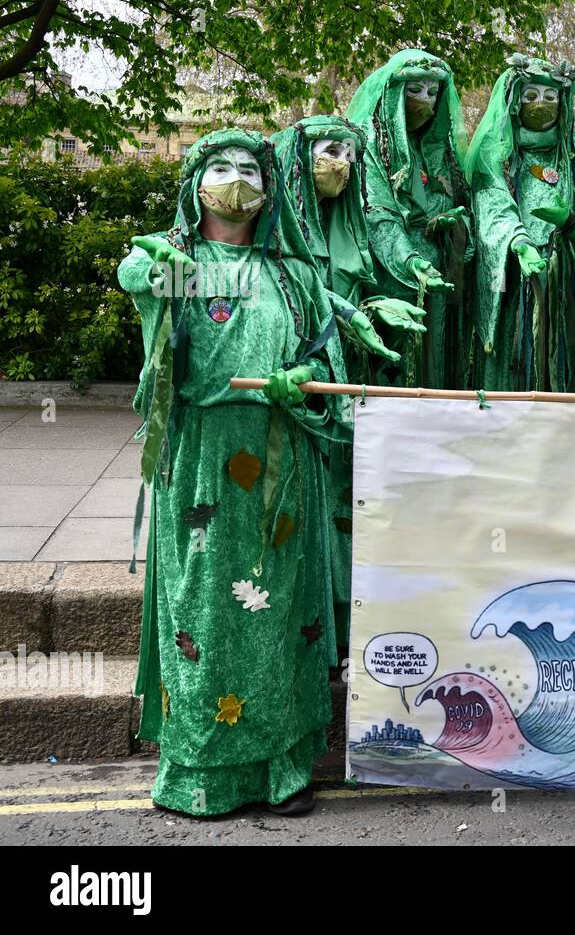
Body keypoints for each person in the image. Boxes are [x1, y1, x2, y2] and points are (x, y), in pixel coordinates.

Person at [119, 129, 351, 817]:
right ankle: (201, 776)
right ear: (195, 184)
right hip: (201, 465)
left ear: (269, 189)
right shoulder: (180, 264)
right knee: (205, 613)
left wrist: (301, 378)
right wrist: (152, 261)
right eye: (219, 167)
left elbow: (325, 361)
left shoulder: (294, 275)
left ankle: (284, 771)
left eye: (250, 168)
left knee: (277, 614)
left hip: (282, 466)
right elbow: (137, 278)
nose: (236, 179)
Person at [272, 115, 419, 659]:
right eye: (331, 151)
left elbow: (352, 297)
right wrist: (351, 316)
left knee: (347, 499)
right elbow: (301, 293)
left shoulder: (350, 223)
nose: (343, 165)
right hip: (296, 383)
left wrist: (374, 311)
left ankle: (346, 623)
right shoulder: (275, 227)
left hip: (347, 379)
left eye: (351, 155)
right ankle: (308, 631)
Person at [468, 55, 575, 392]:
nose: (541, 104)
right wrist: (519, 242)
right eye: (531, 95)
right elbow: (492, 204)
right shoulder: (497, 154)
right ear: (514, 101)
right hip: (513, 283)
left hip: (569, 287)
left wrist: (573, 224)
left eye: (550, 97)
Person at [346, 50, 474, 388]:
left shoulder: (439, 150)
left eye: (433, 93)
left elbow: (458, 202)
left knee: (432, 365)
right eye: (414, 90)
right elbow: (376, 212)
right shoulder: (370, 144)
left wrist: (450, 224)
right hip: (387, 275)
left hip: (437, 276)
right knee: (392, 366)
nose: (425, 102)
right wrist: (411, 260)